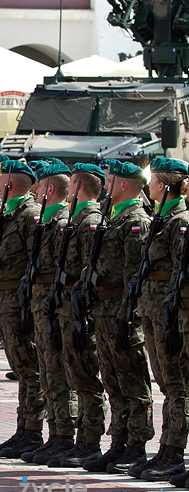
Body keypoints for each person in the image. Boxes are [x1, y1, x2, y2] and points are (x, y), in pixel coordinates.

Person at [79, 161, 155, 474]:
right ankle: (119, 442)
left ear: (124, 185)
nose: (106, 186)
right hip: (104, 310)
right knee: (113, 380)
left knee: (132, 381)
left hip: (121, 312)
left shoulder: (135, 220)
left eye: (111, 181)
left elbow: (133, 277)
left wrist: (127, 318)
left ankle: (137, 446)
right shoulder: (114, 218)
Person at [47, 163, 108, 468]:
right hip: (67, 303)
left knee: (86, 376)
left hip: (80, 307)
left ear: (79, 187)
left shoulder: (90, 220)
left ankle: (89, 440)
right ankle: (75, 439)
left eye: (71, 185)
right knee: (73, 373)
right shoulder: (76, 219)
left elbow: (88, 267)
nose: (67, 191)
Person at [131, 158, 189, 481]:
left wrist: (173, 311)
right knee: (167, 382)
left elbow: (179, 272)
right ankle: (167, 448)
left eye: (153, 181)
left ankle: (174, 451)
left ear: (166, 186)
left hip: (172, 312)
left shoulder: (180, 220)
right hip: (156, 309)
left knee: (178, 384)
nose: (148, 186)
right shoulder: (161, 219)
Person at [0, 161, 46, 460]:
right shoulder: (10, 214)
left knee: (30, 368)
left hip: (20, 300)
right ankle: (24, 428)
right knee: (21, 367)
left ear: (10, 186)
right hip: (6, 298)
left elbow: (36, 261)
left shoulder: (29, 215)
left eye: (0, 184)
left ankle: (32, 430)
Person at [24, 162, 79, 464]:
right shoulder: (47, 219)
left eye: (39, 185)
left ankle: (64, 436)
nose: (35, 191)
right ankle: (54, 433)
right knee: (47, 372)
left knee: (59, 372)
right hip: (42, 301)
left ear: (51, 188)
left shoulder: (60, 221)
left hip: (55, 302)